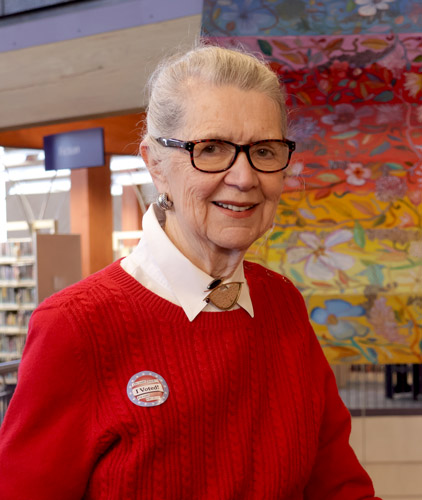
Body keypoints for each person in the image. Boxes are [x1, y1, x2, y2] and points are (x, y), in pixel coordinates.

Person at [0, 44, 382, 500]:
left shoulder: (282, 303)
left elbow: (338, 487)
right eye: (212, 148)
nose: (243, 177)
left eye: (264, 150)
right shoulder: (76, 326)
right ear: (155, 163)